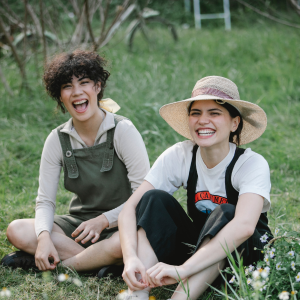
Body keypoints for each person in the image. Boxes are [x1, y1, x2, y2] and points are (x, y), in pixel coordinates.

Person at [117, 76, 272, 300]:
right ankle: (138, 292)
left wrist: (184, 269)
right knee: (153, 199)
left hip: (242, 258)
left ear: (234, 123)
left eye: (214, 113)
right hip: (198, 252)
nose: (203, 120)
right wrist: (130, 258)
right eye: (196, 113)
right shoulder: (180, 155)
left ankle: (180, 298)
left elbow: (245, 227)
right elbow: (129, 209)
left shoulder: (250, 163)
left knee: (228, 212)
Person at [1, 50, 150, 274]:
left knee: (126, 242)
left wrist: (103, 220)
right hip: (78, 226)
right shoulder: (56, 139)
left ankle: (58, 264)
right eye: (67, 86)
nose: (77, 92)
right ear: (59, 95)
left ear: (98, 87)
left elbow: (144, 196)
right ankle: (100, 263)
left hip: (122, 222)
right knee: (17, 230)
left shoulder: (122, 130)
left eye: (84, 83)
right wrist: (43, 238)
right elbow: (45, 202)